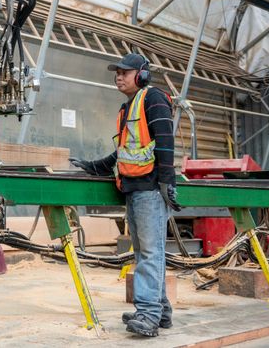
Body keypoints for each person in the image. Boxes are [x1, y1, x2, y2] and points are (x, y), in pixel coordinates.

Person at [69, 53, 181, 338]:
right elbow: (124, 151)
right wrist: (94, 166)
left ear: (142, 75)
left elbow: (165, 141)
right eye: (116, 72)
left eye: (125, 72)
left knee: (150, 253)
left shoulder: (153, 98)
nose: (118, 76)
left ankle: (148, 314)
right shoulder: (128, 107)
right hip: (134, 188)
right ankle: (161, 310)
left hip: (150, 189)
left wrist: (167, 183)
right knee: (145, 252)